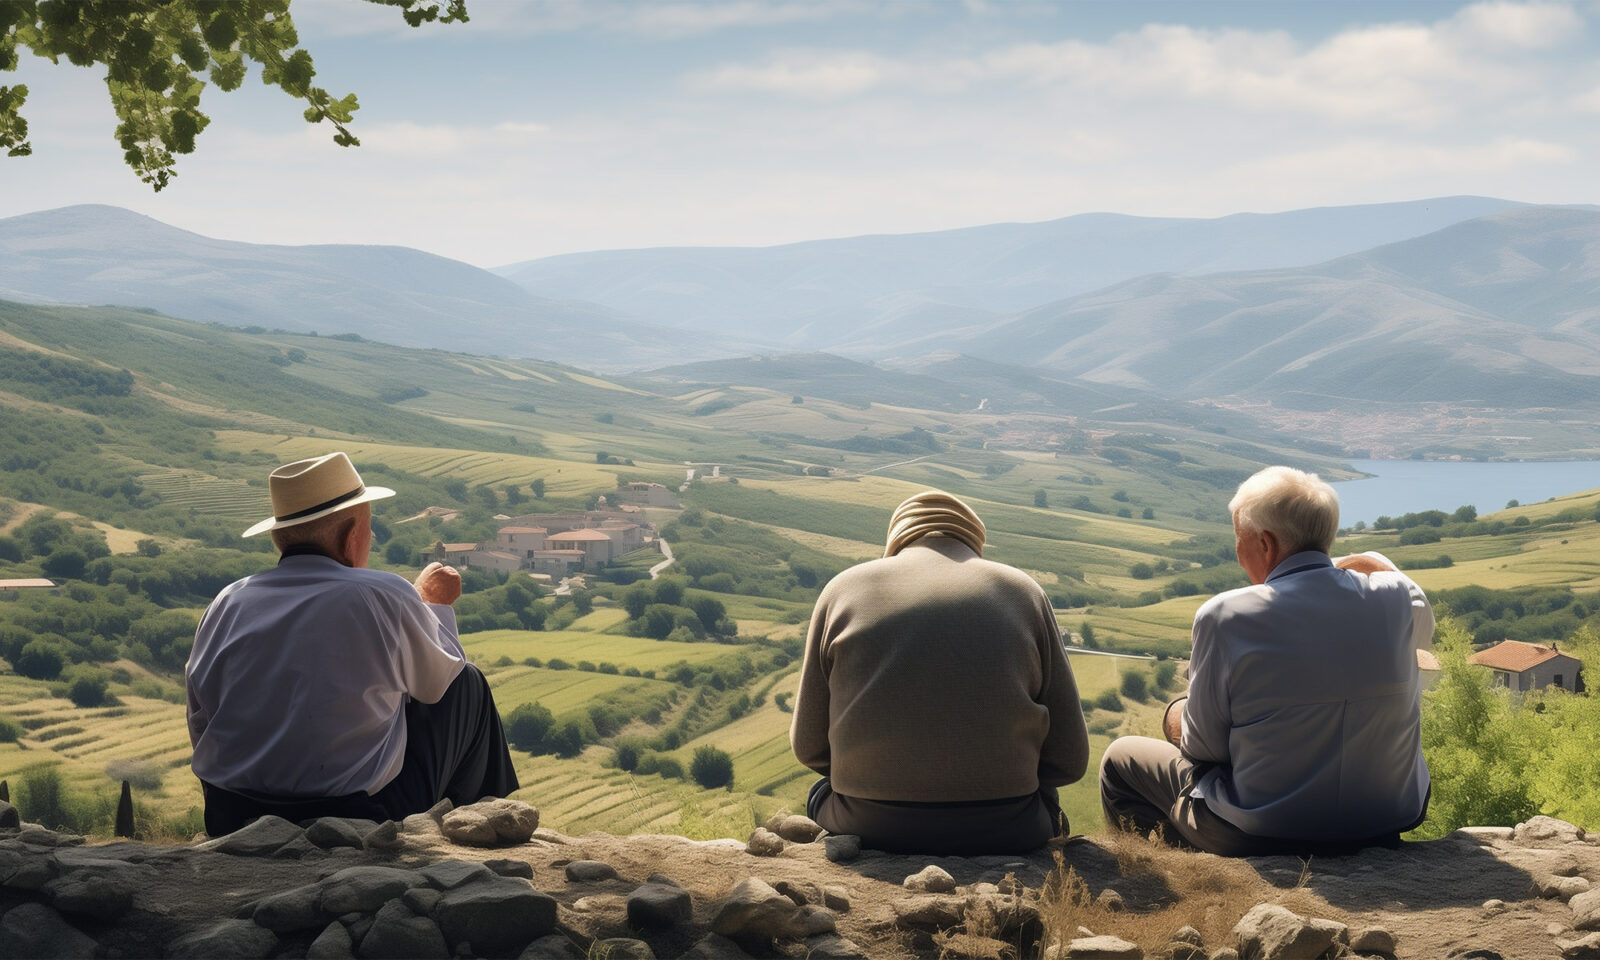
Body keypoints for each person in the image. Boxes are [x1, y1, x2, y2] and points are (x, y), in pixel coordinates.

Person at [1099, 466, 1434, 856]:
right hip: (1387, 817)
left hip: (1265, 832)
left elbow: (1203, 749)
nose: (1238, 553)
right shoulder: (1394, 600)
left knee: (1120, 759)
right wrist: (1347, 559)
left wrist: (1176, 714)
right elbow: (1406, 591)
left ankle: (1173, 876)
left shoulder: (1225, 616)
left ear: (1265, 544)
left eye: (1238, 539)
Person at [187, 452, 518, 835]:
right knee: (466, 685)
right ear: (350, 537)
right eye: (369, 530)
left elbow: (201, 720)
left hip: (233, 812)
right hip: (358, 815)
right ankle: (483, 829)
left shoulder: (226, 602)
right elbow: (437, 683)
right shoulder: (383, 594)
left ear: (280, 538)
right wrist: (432, 606)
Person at [790, 490, 1089, 855]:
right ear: (974, 542)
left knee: (820, 794)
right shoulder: (1024, 593)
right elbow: (1070, 759)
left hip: (867, 824)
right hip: (1010, 827)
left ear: (896, 539)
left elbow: (808, 746)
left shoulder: (842, 590)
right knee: (1046, 799)